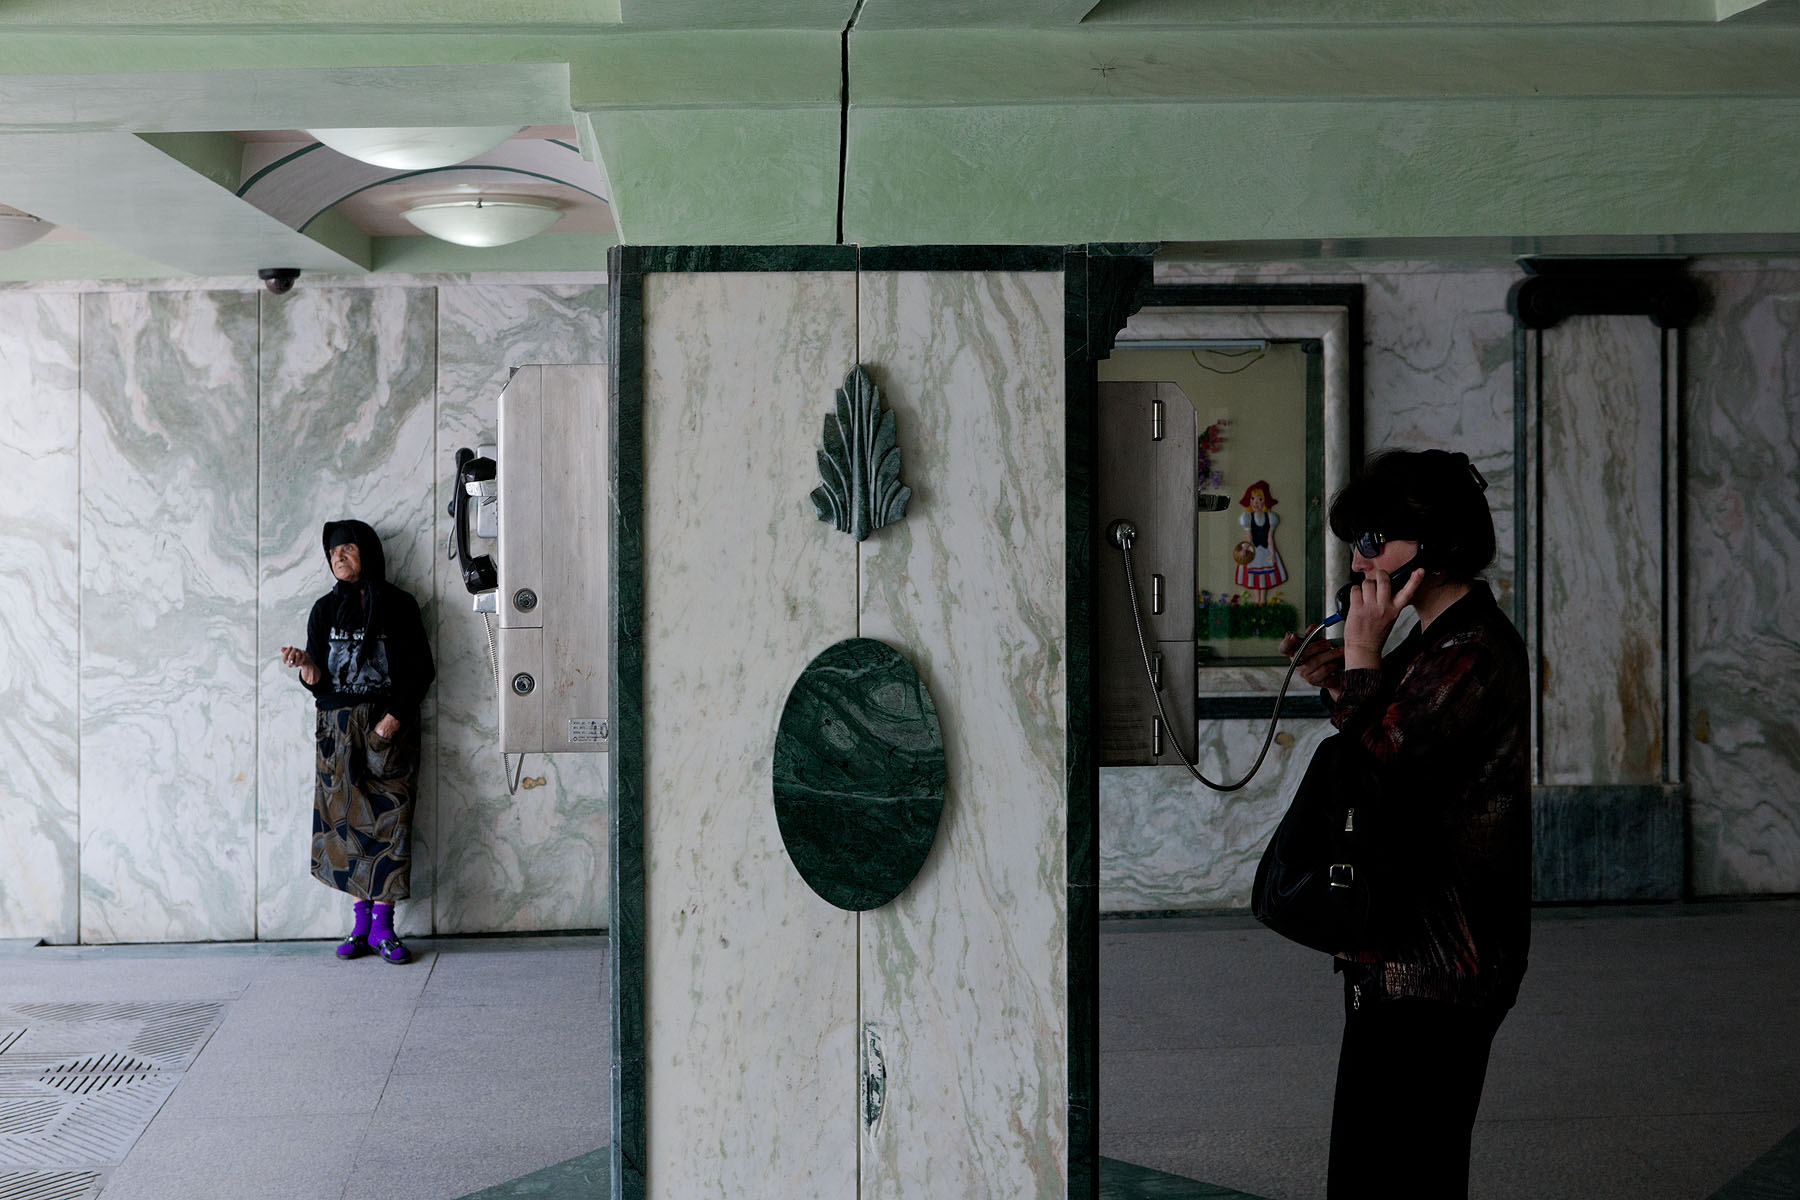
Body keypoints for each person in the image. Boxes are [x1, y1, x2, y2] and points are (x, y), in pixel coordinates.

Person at [1277, 449, 1529, 1200]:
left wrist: (1361, 655)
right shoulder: (1431, 638)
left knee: (1403, 1164)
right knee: (1371, 1159)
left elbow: (1389, 758)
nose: (1361, 562)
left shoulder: (1473, 649)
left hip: (1442, 958)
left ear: (1436, 543)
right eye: (1357, 542)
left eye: (1374, 540)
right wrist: (1345, 676)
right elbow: (1383, 742)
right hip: (1400, 945)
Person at [279, 520, 435, 965]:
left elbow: (419, 669)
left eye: (347, 548)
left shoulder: (400, 605)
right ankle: (361, 925)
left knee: (390, 821)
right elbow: (320, 681)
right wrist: (307, 663)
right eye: (332, 553)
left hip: (387, 725)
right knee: (343, 824)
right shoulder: (323, 610)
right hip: (337, 729)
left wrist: (391, 721)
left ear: (367, 551)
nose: (338, 558)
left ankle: (385, 928)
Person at [1234, 480, 1287, 604]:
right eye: (1253, 499)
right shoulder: (1247, 518)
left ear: (1265, 501)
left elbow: (1270, 538)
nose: (1255, 503)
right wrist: (1244, 549)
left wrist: (1272, 554)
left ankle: (1262, 600)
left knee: (1264, 577)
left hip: (1265, 551)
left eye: (1259, 499)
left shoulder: (1270, 518)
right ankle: (1256, 600)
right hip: (1254, 551)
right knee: (1254, 575)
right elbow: (1249, 538)